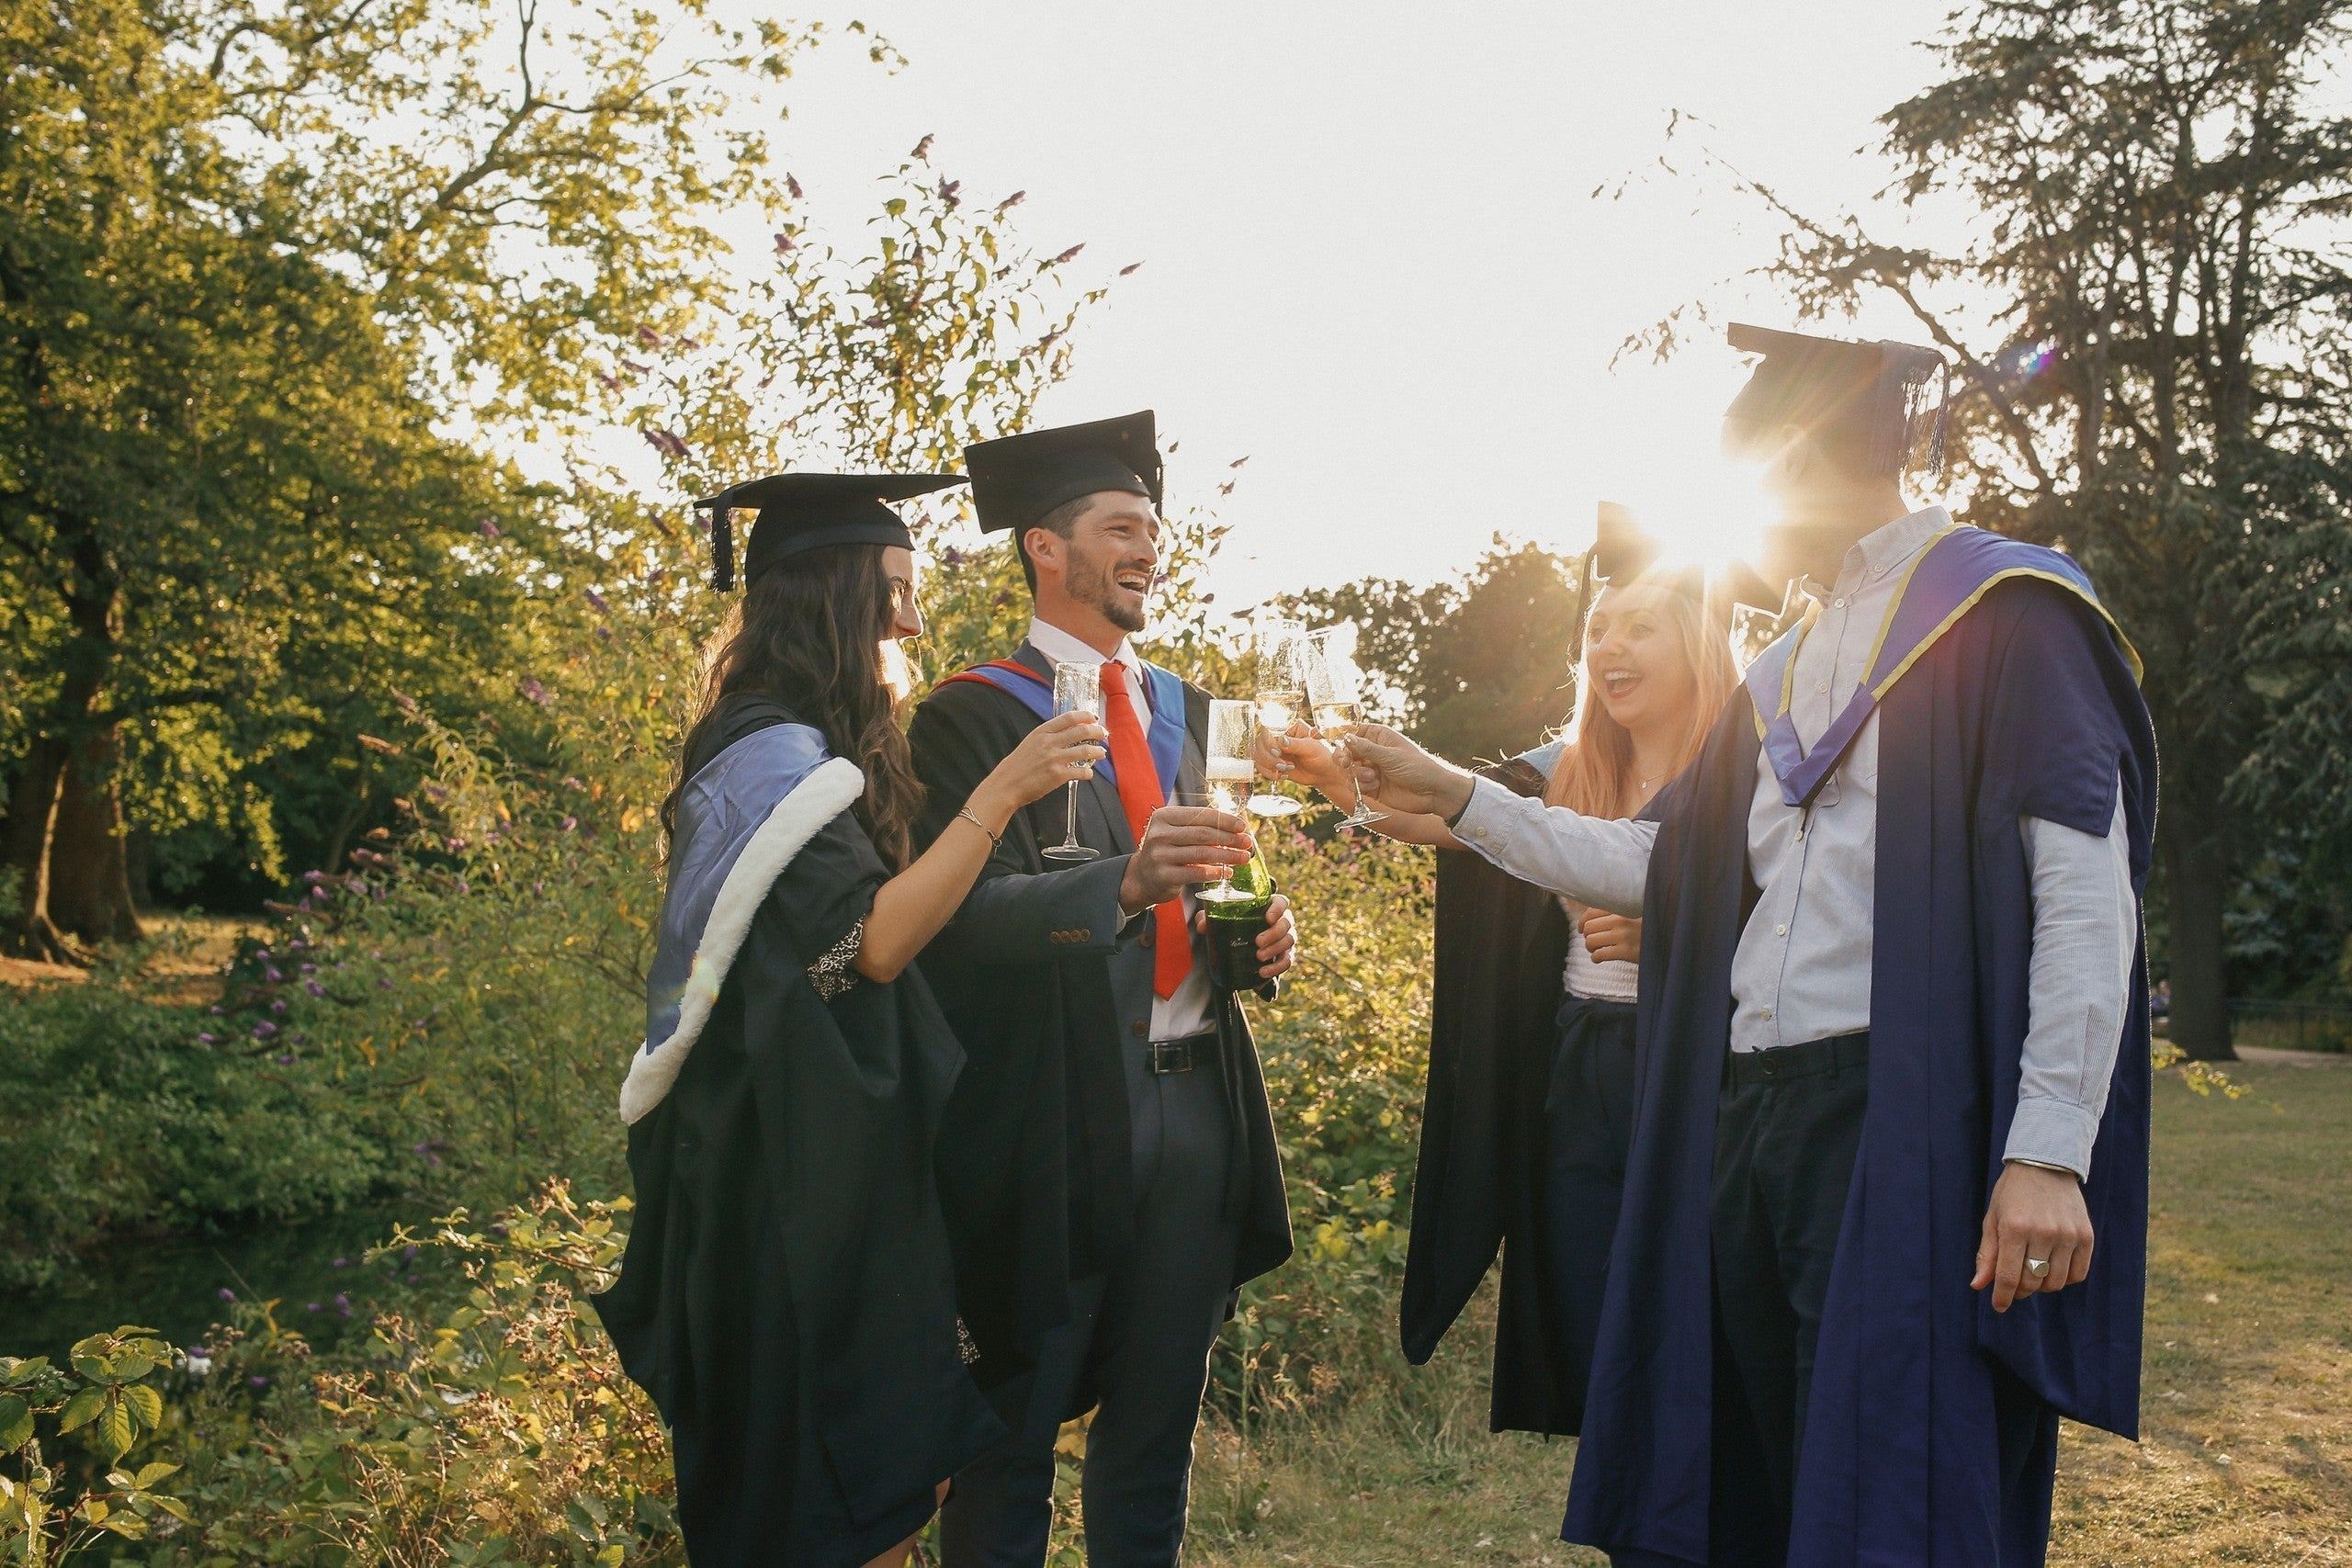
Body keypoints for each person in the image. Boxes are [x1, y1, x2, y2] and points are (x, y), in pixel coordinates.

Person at [1348, 323, 2156, 1568]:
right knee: (1759, 1474)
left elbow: (2085, 894)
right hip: (1751, 1118)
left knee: (1897, 1482)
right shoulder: (1782, 671)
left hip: (1902, 1117)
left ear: (1817, 464)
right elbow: (1665, 863)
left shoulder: (2008, 615)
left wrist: (2049, 1148)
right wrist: (1464, 800)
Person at [591, 472, 1113, 1568]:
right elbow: (859, 950)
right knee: (831, 1497)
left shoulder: (808, 746)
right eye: (896, 592)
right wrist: (999, 795)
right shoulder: (768, 760)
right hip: (777, 1185)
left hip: (828, 1158)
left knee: (880, 1485)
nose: (915, 622)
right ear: (834, 596)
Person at [906, 412, 1296, 1568]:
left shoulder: (1190, 712)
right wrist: (1120, 886)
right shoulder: (968, 716)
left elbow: (1228, 875)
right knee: (1012, 1433)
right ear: (1045, 547)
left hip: (1197, 1104)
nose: (1148, 547)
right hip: (1052, 1119)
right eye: (1122, 527)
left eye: (1154, 530)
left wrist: (1261, 928)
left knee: (1156, 1429)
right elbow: (957, 923)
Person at [1284, 504, 1737, 1438]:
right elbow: (1446, 827)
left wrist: (1681, 941)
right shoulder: (1559, 769)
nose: (1609, 648)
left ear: (1699, 638)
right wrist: (1337, 786)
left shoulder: (1754, 774)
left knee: (1699, 1321)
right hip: (1581, 1068)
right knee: (1593, 1316)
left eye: (1639, 625)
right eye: (1597, 630)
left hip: (1702, 1078)